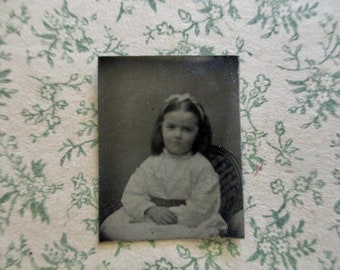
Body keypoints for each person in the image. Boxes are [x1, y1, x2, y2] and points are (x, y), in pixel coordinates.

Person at [100, 93, 227, 241]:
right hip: (150, 218)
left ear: (199, 133)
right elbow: (133, 193)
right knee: (111, 227)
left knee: (185, 235)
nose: (177, 135)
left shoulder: (201, 166)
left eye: (187, 129)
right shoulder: (152, 163)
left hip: (184, 221)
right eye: (171, 127)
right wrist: (150, 210)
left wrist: (171, 216)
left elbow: (204, 206)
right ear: (161, 128)